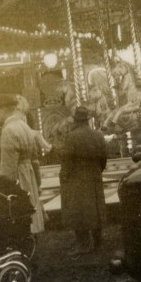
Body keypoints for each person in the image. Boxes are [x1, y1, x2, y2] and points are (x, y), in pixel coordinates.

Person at [0, 94, 45, 234]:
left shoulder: (8, 130)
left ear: (5, 109)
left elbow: (8, 170)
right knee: (30, 205)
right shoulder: (24, 127)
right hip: (28, 172)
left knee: (20, 212)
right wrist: (37, 182)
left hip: (19, 175)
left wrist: (2, 182)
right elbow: (34, 159)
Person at [59, 106, 108, 255]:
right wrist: (97, 171)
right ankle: (98, 243)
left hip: (77, 178)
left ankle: (83, 244)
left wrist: (64, 175)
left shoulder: (71, 137)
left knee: (78, 210)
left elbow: (67, 159)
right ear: (87, 120)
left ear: (75, 120)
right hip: (94, 176)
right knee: (96, 209)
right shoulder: (98, 135)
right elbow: (103, 159)